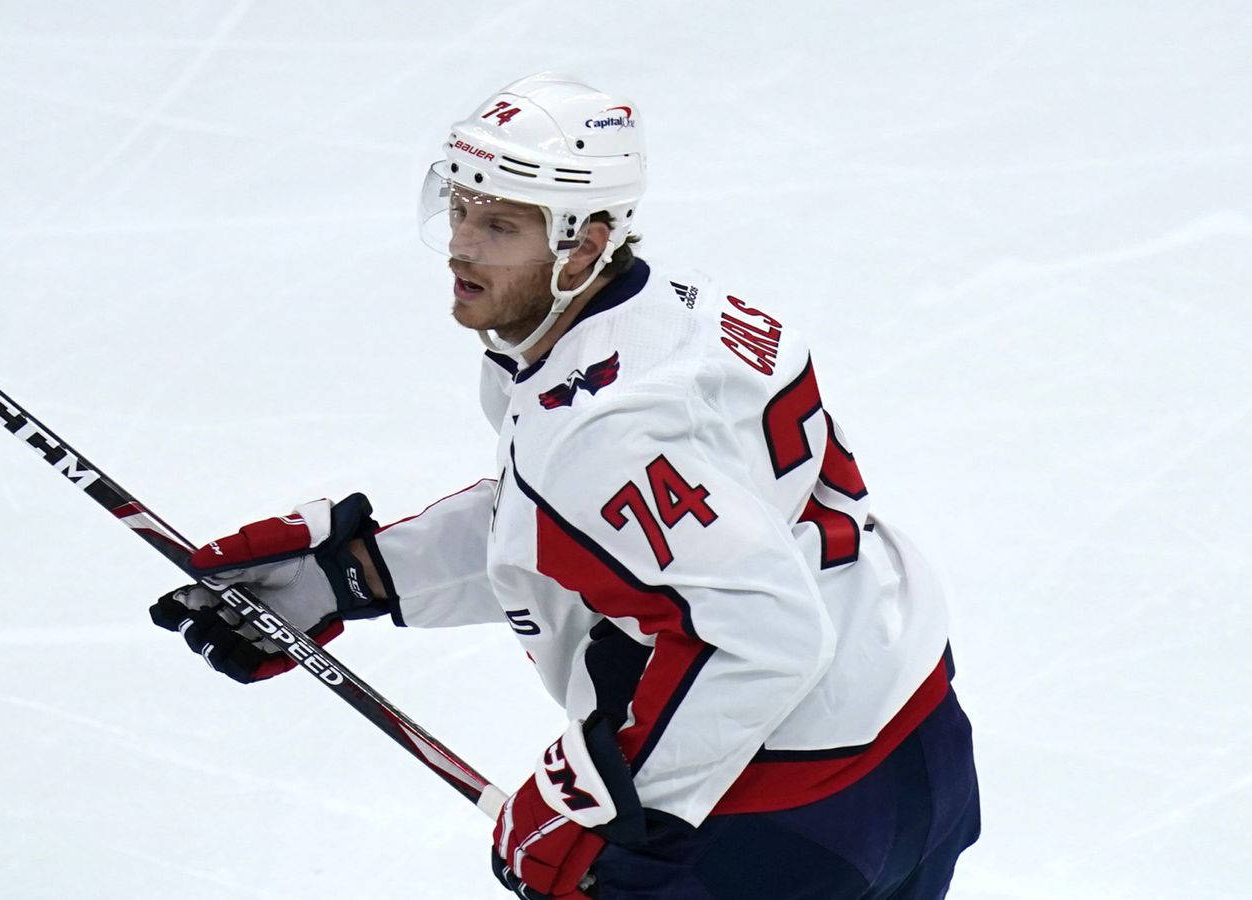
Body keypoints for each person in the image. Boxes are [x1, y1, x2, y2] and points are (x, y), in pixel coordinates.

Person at [150, 72, 981, 899]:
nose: (461, 244)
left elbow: (764, 632)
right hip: (914, 736)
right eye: (462, 208)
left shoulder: (595, 430)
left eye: (500, 225)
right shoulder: (677, 319)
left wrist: (597, 802)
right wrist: (356, 576)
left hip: (778, 814)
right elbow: (593, 528)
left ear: (582, 244)